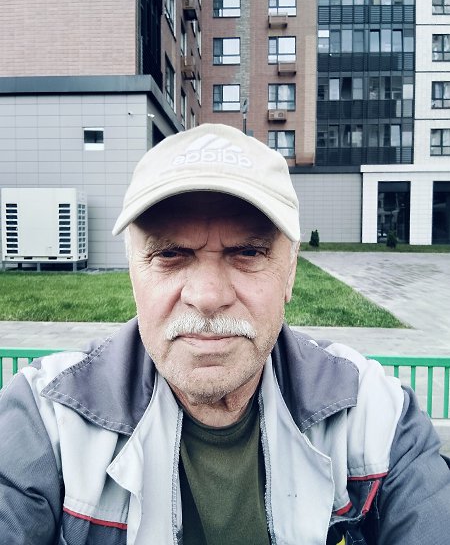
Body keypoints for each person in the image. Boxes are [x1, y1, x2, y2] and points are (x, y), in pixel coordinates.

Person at [0, 123, 448, 545]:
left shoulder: (372, 415)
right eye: (170, 253)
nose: (208, 296)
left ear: (290, 270)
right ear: (133, 270)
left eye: (248, 252)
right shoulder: (47, 420)